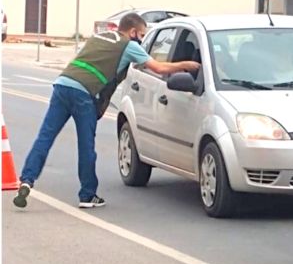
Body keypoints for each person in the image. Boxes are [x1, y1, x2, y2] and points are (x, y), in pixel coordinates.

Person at [12, 13, 199, 210]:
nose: (142, 39)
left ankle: (26, 180)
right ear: (133, 31)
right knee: (86, 146)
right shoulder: (129, 46)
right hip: (83, 93)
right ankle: (87, 194)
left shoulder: (99, 37)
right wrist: (186, 65)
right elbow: (159, 68)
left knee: (45, 137)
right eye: (142, 35)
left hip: (62, 84)